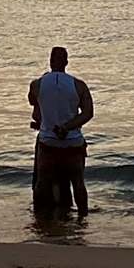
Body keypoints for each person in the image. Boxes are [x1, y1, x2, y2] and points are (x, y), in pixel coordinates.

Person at [28, 46, 94, 216]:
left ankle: (40, 218)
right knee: (78, 182)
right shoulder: (78, 85)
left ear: (50, 61)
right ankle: (82, 220)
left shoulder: (36, 85)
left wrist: (45, 122)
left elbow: (35, 108)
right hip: (72, 142)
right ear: (66, 62)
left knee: (42, 182)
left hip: (48, 142)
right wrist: (67, 127)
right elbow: (88, 113)